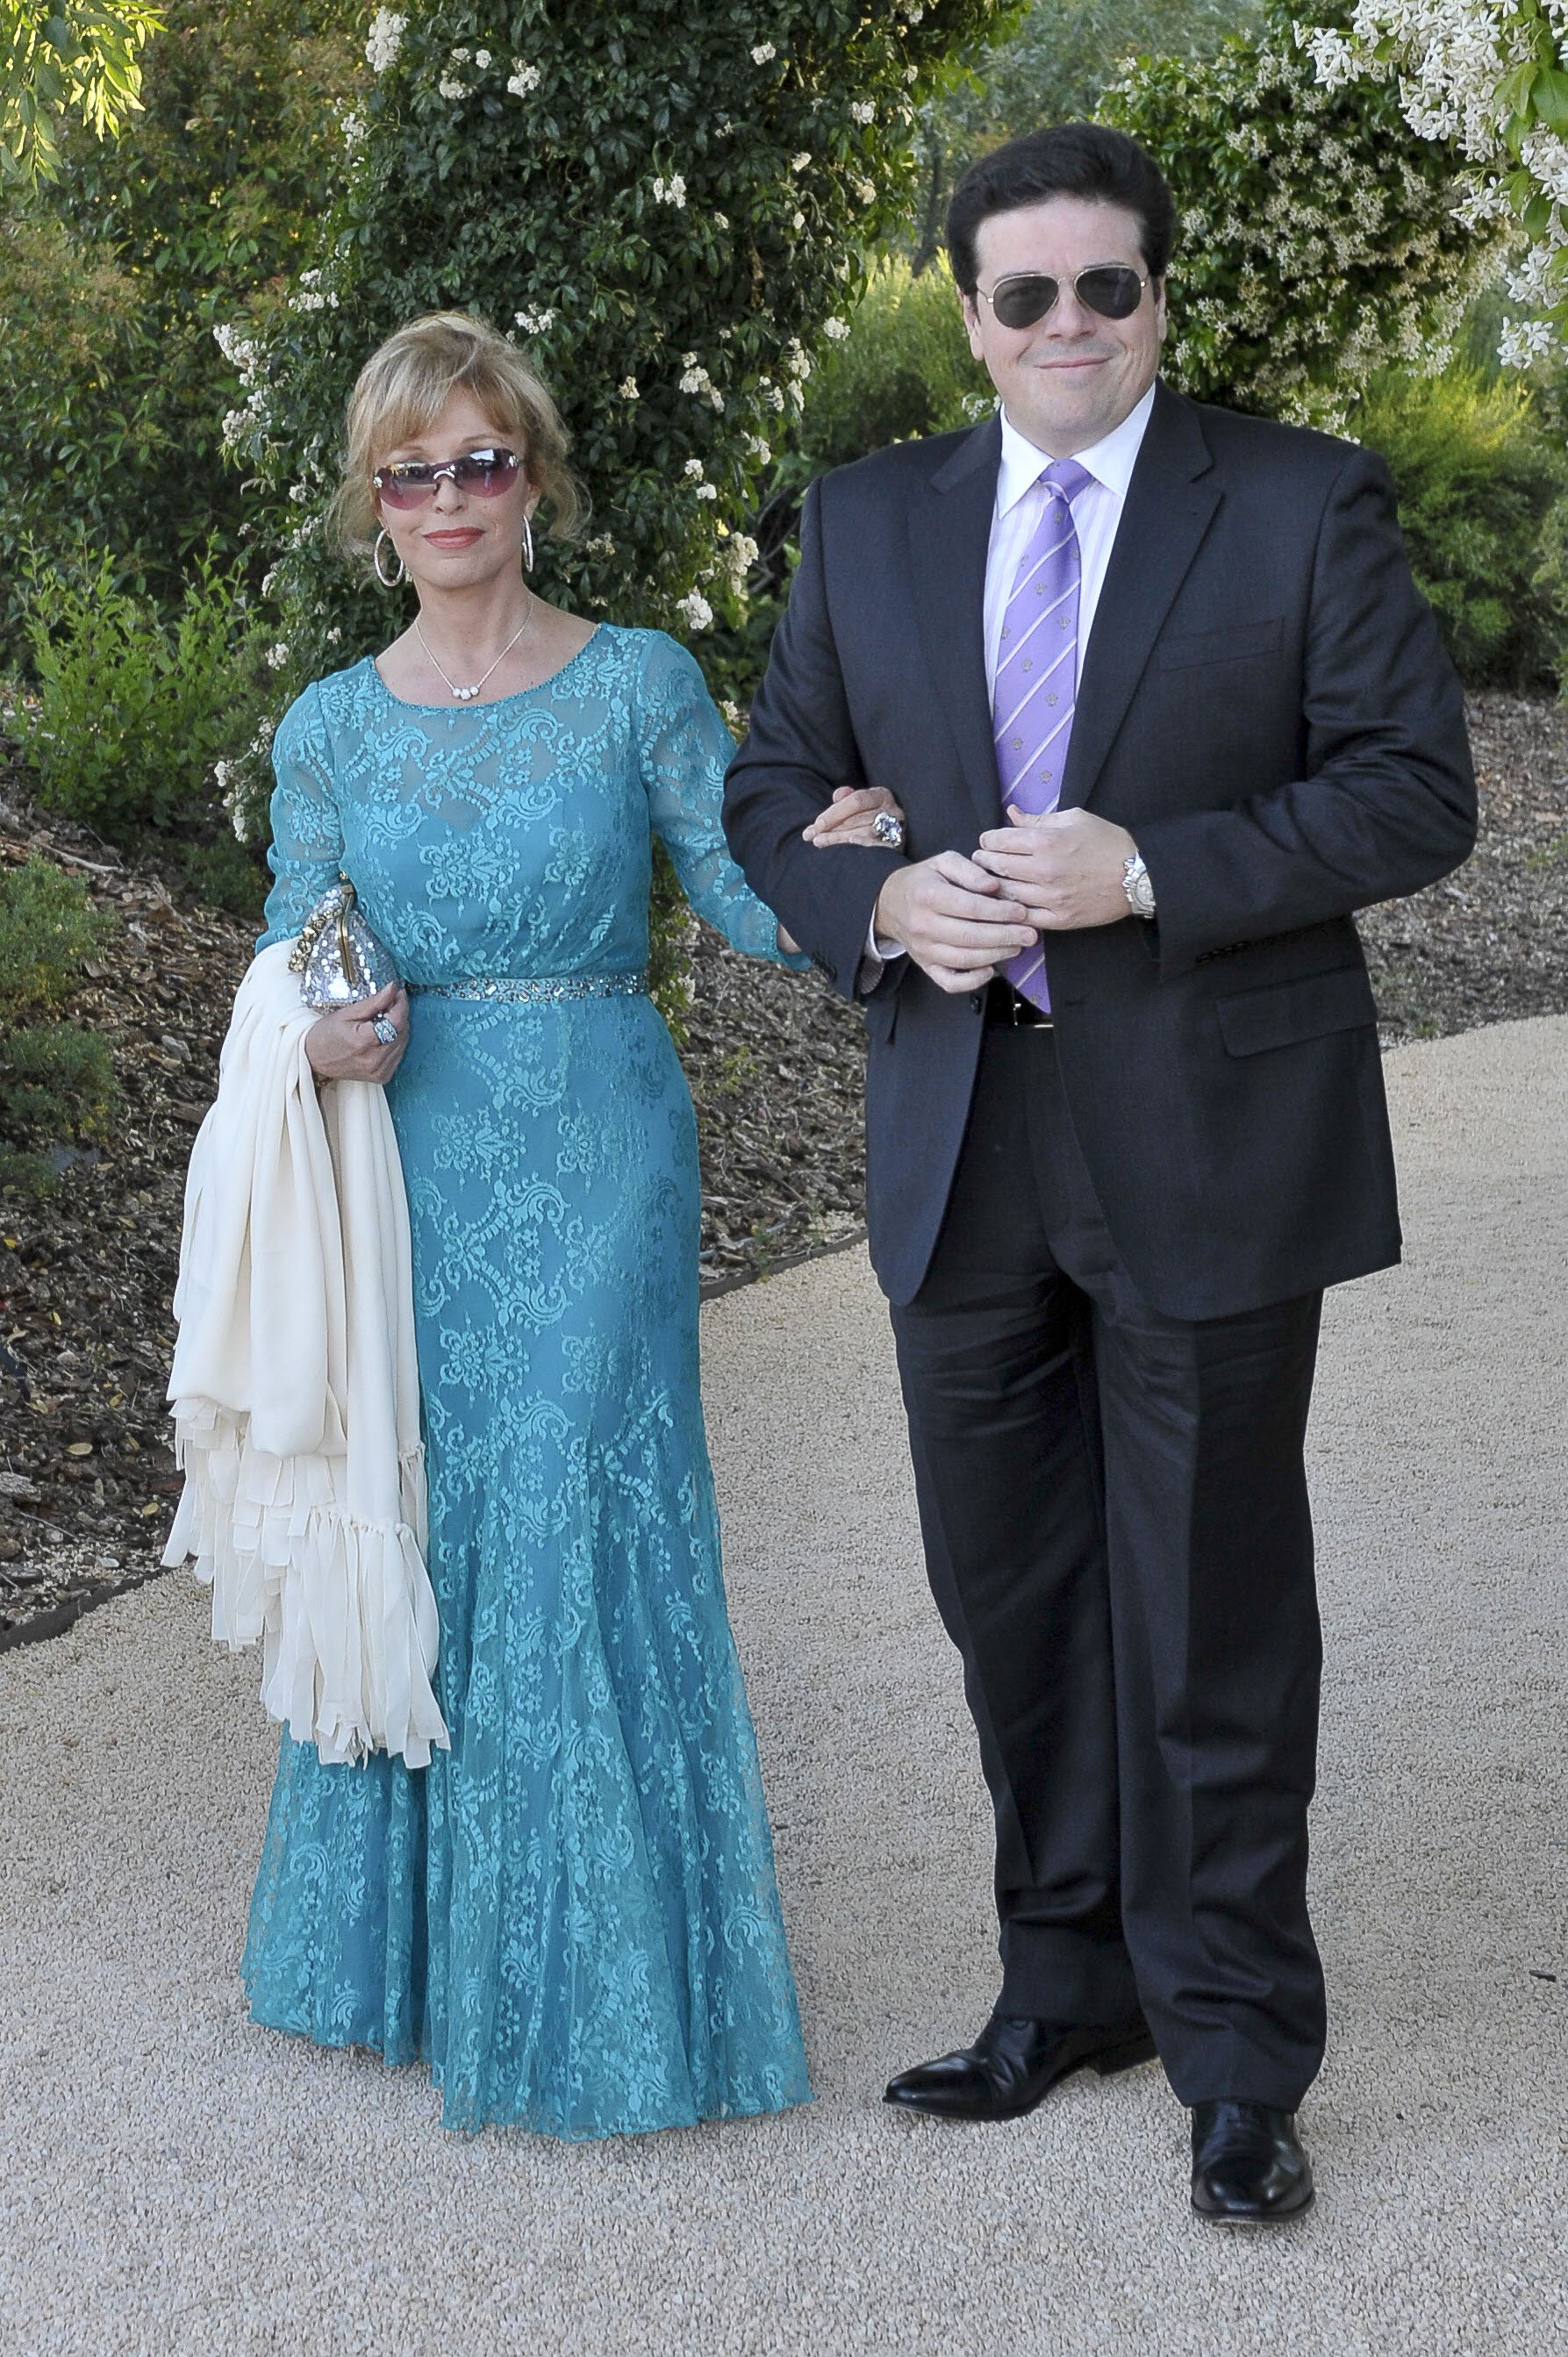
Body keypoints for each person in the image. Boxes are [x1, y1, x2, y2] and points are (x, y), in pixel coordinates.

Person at [722, 124, 1477, 2220]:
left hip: (1215, 1132)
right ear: (969, 311)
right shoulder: (869, 521)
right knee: (1016, 1599)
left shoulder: (1300, 497)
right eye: (1027, 293)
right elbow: (774, 787)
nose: (1070, 325)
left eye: (1109, 288)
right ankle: (1067, 1979)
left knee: (1212, 1606)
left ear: (1162, 298)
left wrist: (1156, 866)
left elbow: (1420, 791)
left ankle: (1238, 2045)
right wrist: (876, 910)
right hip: (962, 1130)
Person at [240, 309, 899, 2138]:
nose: (451, 496)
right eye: (413, 469)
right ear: (373, 504)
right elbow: (297, 943)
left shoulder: (637, 683)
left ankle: (604, 1981)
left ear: (534, 475)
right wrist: (314, 1032)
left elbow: (744, 896)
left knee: (576, 1508)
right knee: (428, 1508)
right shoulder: (329, 726)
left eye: (482, 459)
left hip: (602, 1142)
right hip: (410, 1161)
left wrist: (849, 866)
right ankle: (407, 1961)